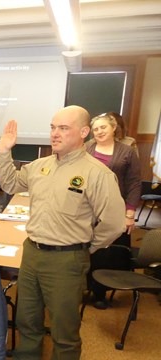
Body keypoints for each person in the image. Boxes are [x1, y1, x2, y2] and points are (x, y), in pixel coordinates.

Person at [0, 105, 125, 359]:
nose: (55, 134)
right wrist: (4, 151)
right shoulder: (39, 166)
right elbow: (10, 183)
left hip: (67, 260)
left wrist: (87, 246)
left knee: (64, 332)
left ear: (83, 132)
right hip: (32, 253)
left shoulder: (97, 174)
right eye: (53, 128)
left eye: (63, 128)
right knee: (28, 322)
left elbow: (114, 223)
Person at [85, 112, 141, 309]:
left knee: (107, 252)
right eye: (96, 129)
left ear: (113, 128)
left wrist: (130, 214)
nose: (99, 132)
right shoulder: (86, 148)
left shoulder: (126, 151)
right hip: (87, 208)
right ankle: (84, 287)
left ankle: (100, 292)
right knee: (85, 248)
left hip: (115, 209)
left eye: (103, 128)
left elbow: (134, 184)